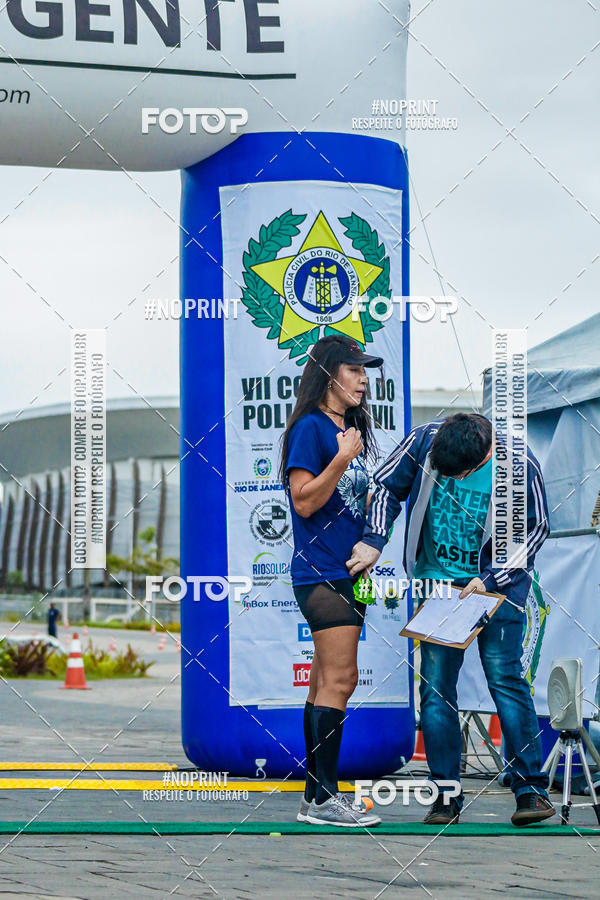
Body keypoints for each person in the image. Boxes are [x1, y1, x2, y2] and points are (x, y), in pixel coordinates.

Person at [347, 412, 556, 827]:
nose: (455, 483)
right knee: (437, 688)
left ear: (483, 457)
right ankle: (445, 796)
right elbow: (386, 486)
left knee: (505, 679)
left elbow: (536, 530)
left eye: (463, 475)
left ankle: (530, 791)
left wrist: (490, 579)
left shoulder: (519, 465)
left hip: (497, 587)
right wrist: (373, 541)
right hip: (437, 588)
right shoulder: (424, 441)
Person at [279, 334, 383, 827]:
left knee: (325, 682)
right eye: (355, 369)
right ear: (329, 374)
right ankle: (325, 800)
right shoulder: (311, 429)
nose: (363, 378)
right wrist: (341, 459)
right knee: (341, 680)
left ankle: (312, 798)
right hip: (320, 573)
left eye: (366, 370)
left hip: (350, 571)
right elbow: (302, 501)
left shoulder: (352, 428)